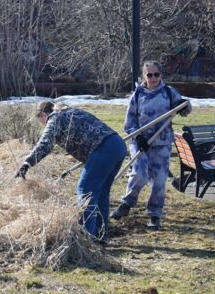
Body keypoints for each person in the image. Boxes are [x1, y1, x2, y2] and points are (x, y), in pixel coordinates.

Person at [16, 101, 126, 242]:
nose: (43, 125)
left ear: (43, 115)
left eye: (41, 121)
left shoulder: (54, 118)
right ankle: (100, 235)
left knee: (86, 189)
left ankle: (86, 237)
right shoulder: (70, 111)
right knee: (101, 192)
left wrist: (27, 163)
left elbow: (45, 143)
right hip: (117, 145)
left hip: (103, 148)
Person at [111, 60, 192, 230]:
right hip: (140, 142)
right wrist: (138, 138)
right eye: (149, 75)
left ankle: (155, 214)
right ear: (143, 76)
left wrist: (182, 106)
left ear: (160, 75)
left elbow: (185, 107)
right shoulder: (137, 95)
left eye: (156, 74)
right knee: (139, 173)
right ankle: (127, 203)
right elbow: (130, 122)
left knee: (159, 181)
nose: (153, 78)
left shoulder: (168, 92)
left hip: (161, 143)